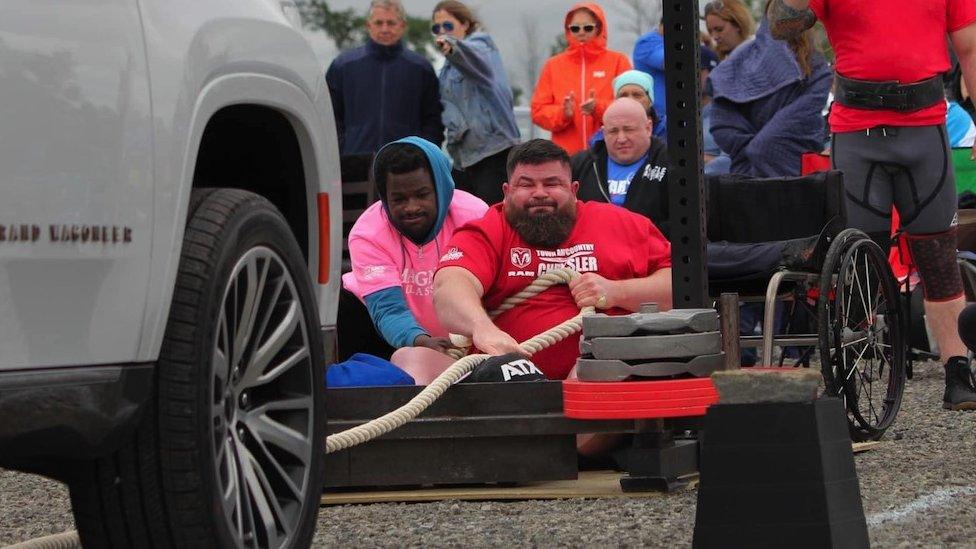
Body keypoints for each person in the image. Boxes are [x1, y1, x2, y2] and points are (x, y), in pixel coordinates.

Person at [770, 0, 976, 409]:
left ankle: (957, 373)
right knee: (860, 258)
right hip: (857, 129)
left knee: (938, 258)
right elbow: (782, 25)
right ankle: (852, 368)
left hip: (925, 127)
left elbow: (970, 47)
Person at [388, 139, 672, 385]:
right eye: (527, 184)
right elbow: (450, 286)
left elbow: (680, 286)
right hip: (501, 383)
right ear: (507, 191)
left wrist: (616, 292)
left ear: (574, 190)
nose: (540, 193)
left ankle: (568, 442)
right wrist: (483, 329)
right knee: (410, 359)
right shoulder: (489, 230)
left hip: (596, 380)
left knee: (599, 367)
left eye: (552, 183)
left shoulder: (622, 224)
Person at [342, 137, 488, 360]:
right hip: (388, 335)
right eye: (399, 199)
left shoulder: (475, 216)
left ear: (441, 188)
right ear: (384, 197)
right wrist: (420, 341)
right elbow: (388, 308)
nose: (411, 207)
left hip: (470, 336)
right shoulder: (367, 233)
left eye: (422, 195)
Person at [709, 6, 832, 177]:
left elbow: (801, 117)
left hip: (793, 171)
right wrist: (749, 147)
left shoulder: (814, 67)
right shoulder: (740, 63)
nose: (715, 36)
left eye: (719, 29)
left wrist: (758, 146)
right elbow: (723, 121)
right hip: (752, 172)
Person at [325, 0, 444, 155]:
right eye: (379, 23)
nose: (385, 29)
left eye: (391, 23)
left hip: (406, 166)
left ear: (402, 26)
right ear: (369, 26)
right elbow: (329, 116)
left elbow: (433, 120)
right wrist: (343, 150)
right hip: (354, 166)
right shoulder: (343, 66)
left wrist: (422, 155)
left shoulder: (421, 68)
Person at [432, 1, 521, 205]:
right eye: (437, 28)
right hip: (464, 159)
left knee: (492, 217)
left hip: (494, 153)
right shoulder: (446, 70)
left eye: (448, 26)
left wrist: (453, 47)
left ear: (465, 24)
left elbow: (472, 57)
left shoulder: (482, 45)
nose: (442, 32)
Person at [530, 3, 631, 155]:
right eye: (575, 28)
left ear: (599, 27)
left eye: (588, 27)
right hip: (567, 157)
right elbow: (538, 111)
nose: (581, 32)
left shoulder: (618, 61)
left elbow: (630, 107)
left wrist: (598, 108)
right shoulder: (553, 65)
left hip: (609, 155)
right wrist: (563, 114)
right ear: (568, 30)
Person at [572, 97, 670, 236]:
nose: (621, 138)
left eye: (629, 130)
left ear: (648, 128)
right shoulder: (580, 165)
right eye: (613, 131)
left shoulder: (671, 163)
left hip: (651, 252)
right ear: (603, 132)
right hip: (594, 252)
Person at [632, 23, 720, 123]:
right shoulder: (647, 43)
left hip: (681, 111)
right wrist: (695, 43)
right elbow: (673, 61)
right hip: (658, 116)